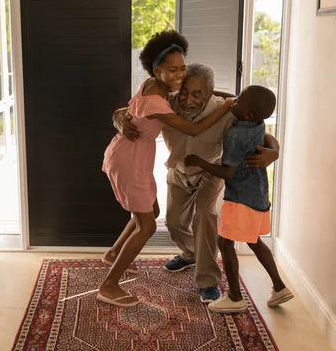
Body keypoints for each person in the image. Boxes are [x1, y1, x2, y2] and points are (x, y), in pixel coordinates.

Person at [111, 62, 280, 304]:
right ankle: (191, 253)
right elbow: (128, 111)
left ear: (210, 93)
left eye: (197, 94)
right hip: (178, 170)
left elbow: (262, 133)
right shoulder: (166, 102)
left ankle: (209, 280)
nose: (188, 100)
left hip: (209, 171)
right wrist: (118, 119)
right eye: (185, 92)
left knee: (204, 216)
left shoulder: (227, 110)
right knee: (174, 222)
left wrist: (274, 151)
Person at [98, 30, 235, 307]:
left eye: (182, 68)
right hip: (131, 159)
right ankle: (109, 286)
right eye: (173, 70)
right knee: (150, 224)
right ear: (157, 70)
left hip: (141, 156)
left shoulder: (154, 85)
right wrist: (227, 106)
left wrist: (222, 97)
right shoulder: (161, 101)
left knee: (160, 213)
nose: (180, 76)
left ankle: (115, 254)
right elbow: (192, 128)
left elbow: (129, 110)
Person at [185, 85, 293, 313]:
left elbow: (227, 173)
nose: (233, 102)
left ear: (248, 113)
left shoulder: (235, 135)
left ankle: (235, 297)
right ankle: (280, 286)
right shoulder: (257, 123)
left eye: (239, 101)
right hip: (259, 194)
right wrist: (220, 95)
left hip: (240, 197)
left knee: (225, 242)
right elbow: (233, 101)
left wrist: (199, 161)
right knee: (254, 240)